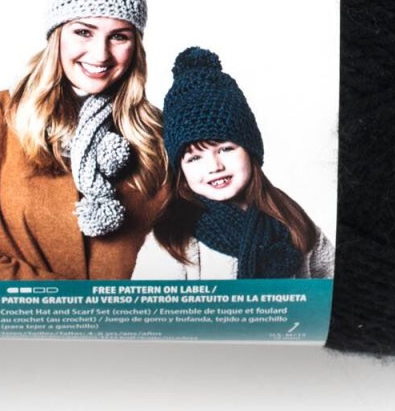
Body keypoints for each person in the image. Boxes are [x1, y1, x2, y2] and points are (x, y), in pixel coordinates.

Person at [0, 0, 166, 280]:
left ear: (136, 46)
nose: (100, 55)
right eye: (83, 32)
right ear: (57, 35)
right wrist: (70, 306)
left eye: (119, 36)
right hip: (21, 316)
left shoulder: (157, 134)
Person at [132, 47, 335, 280]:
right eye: (195, 158)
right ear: (181, 170)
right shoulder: (173, 239)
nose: (214, 166)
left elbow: (333, 285)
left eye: (225, 149)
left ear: (250, 149)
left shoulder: (293, 219)